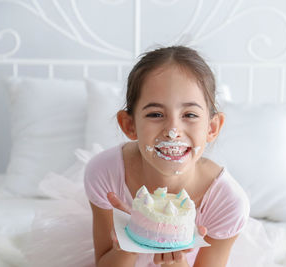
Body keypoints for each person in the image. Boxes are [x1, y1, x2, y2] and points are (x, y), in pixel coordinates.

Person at [83, 45, 251, 267]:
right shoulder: (105, 174)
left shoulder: (227, 202)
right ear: (129, 125)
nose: (173, 130)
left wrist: (176, 264)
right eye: (156, 114)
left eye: (189, 114)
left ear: (212, 127)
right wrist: (131, 238)